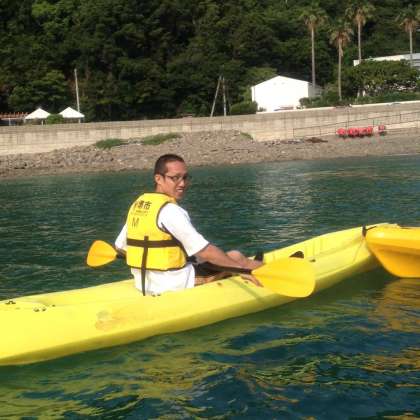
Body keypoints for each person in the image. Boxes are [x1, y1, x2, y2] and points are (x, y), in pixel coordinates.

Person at [115, 153, 262, 296]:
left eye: (185, 177)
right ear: (158, 178)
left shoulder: (138, 206)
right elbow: (206, 252)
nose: (182, 183)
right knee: (236, 257)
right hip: (176, 284)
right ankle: (265, 274)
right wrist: (241, 270)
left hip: (144, 283)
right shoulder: (171, 210)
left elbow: (120, 247)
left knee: (218, 258)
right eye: (175, 178)